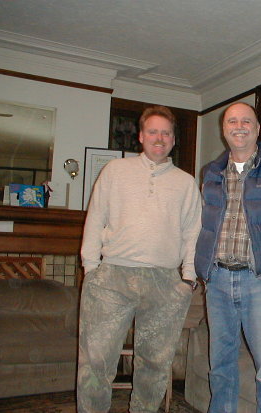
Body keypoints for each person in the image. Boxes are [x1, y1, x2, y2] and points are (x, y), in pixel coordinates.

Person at [77, 105, 202, 413]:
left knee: (155, 366)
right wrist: (91, 268)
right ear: (141, 136)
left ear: (173, 139)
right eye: (153, 131)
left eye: (166, 133)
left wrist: (187, 279)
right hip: (111, 278)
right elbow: (95, 218)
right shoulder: (114, 171)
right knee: (95, 363)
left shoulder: (186, 183)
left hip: (165, 283)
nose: (159, 138)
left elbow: (193, 233)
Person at [195, 102, 261, 413]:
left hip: (260, 281)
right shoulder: (211, 172)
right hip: (217, 281)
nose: (239, 126)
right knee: (220, 365)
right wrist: (202, 269)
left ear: (258, 128)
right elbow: (205, 223)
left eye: (246, 121)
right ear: (223, 130)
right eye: (232, 121)